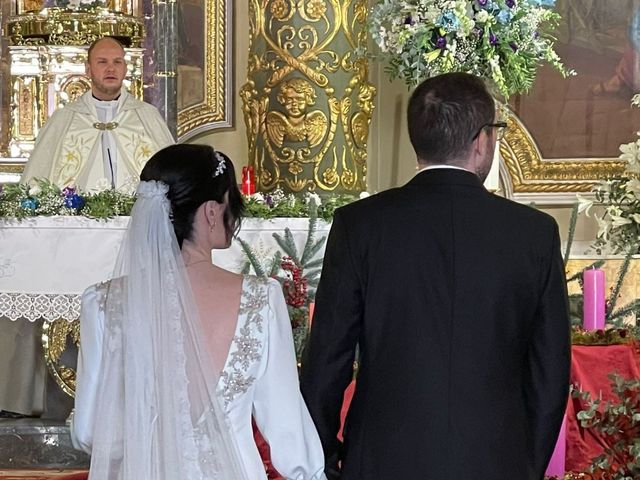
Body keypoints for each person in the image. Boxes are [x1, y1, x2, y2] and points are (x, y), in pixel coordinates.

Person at [300, 72, 571, 480]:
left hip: (382, 457)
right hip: (495, 459)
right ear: (482, 141)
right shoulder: (533, 233)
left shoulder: (360, 225)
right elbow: (550, 372)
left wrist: (326, 453)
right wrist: (524, 463)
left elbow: (326, 359)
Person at [70, 144, 326, 479]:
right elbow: (288, 431)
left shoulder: (103, 303)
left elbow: (90, 431)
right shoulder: (259, 299)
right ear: (210, 211)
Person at [21, 36, 174, 190]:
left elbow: (172, 175)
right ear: (88, 69)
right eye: (102, 62)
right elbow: (37, 180)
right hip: (77, 212)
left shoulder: (147, 116)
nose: (111, 69)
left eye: (117, 62)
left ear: (125, 68)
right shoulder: (64, 119)